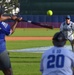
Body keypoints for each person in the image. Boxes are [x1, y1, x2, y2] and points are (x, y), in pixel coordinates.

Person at [0, 7, 22, 75]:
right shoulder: (3, 26)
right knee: (8, 71)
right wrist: (16, 22)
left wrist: (10, 17)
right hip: (1, 51)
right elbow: (10, 31)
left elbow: (1, 18)